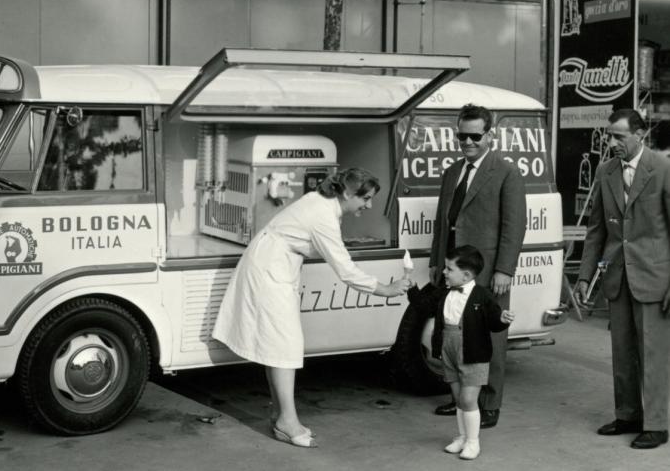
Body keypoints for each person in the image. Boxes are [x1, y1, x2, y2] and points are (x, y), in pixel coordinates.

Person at [211, 167, 413, 448]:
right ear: (346, 193)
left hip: (273, 265)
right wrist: (387, 289)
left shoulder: (324, 204)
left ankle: (281, 414)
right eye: (364, 198)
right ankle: (287, 421)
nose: (368, 205)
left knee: (278, 346)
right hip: (269, 270)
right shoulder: (323, 215)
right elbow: (346, 271)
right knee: (285, 346)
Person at [576, 108, 670, 450]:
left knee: (653, 354)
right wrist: (585, 277)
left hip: (655, 277)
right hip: (618, 276)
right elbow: (596, 229)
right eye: (608, 135)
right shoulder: (605, 171)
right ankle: (628, 415)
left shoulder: (662, 168)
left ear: (640, 134)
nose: (611, 142)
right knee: (622, 351)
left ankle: (657, 424)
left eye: (619, 136)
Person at [428, 104, 526, 428]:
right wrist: (435, 263)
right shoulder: (452, 172)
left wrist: (504, 270)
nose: (467, 142)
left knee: (490, 338)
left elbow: (514, 225)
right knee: (454, 335)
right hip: (454, 270)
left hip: (487, 272)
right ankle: (461, 400)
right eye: (461, 136)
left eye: (475, 136)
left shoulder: (506, 172)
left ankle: (490, 403)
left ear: (490, 135)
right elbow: (443, 223)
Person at [420, 245, 514, 460]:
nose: (444, 272)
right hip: (449, 349)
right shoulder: (444, 292)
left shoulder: (482, 295)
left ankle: (473, 442)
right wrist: (410, 289)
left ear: (466, 275)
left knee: (468, 399)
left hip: (473, 352)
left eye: (449, 269)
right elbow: (423, 306)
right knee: (458, 398)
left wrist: (502, 319)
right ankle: (462, 436)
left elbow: (494, 321)